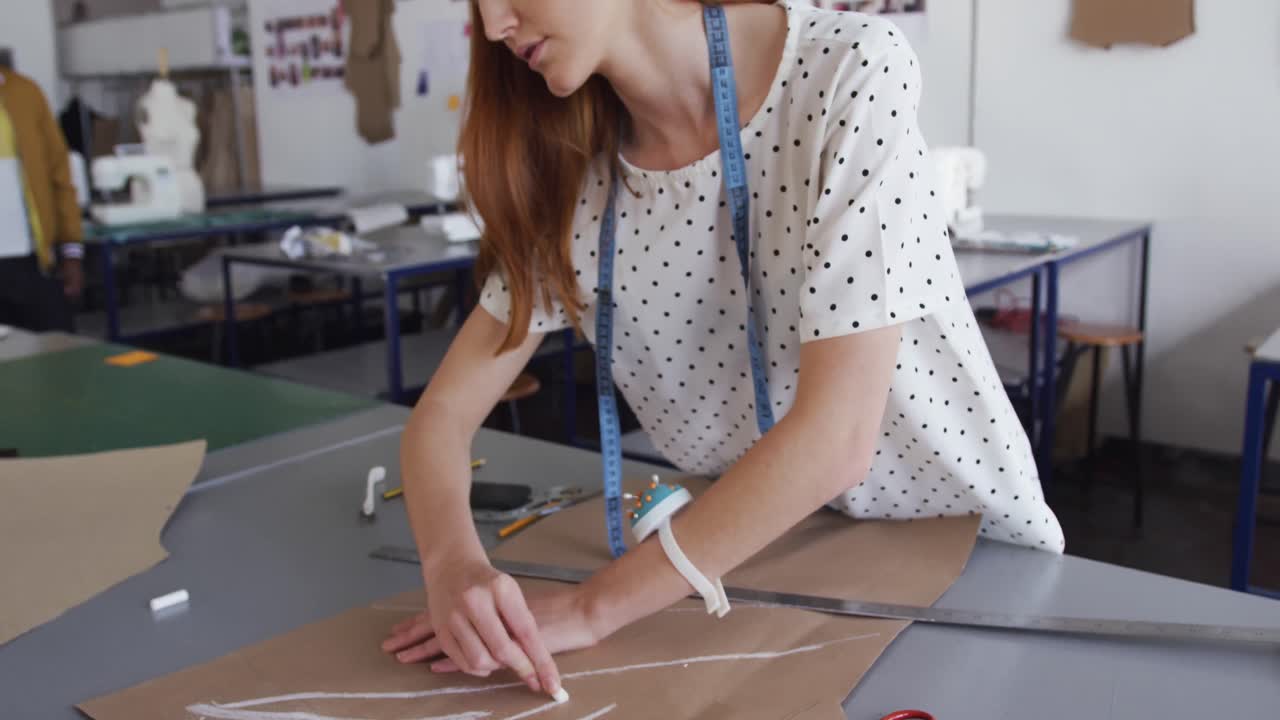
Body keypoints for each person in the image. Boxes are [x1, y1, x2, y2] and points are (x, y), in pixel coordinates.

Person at [383, 0, 1064, 700]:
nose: (494, 25)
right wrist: (452, 567)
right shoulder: (566, 171)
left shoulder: (846, 70)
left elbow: (836, 438)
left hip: (963, 558)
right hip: (757, 549)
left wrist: (595, 607)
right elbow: (440, 417)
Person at [0, 65, 84, 332]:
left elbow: (59, 175)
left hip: (32, 263)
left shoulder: (25, 94)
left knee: (57, 361)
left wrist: (71, 252)